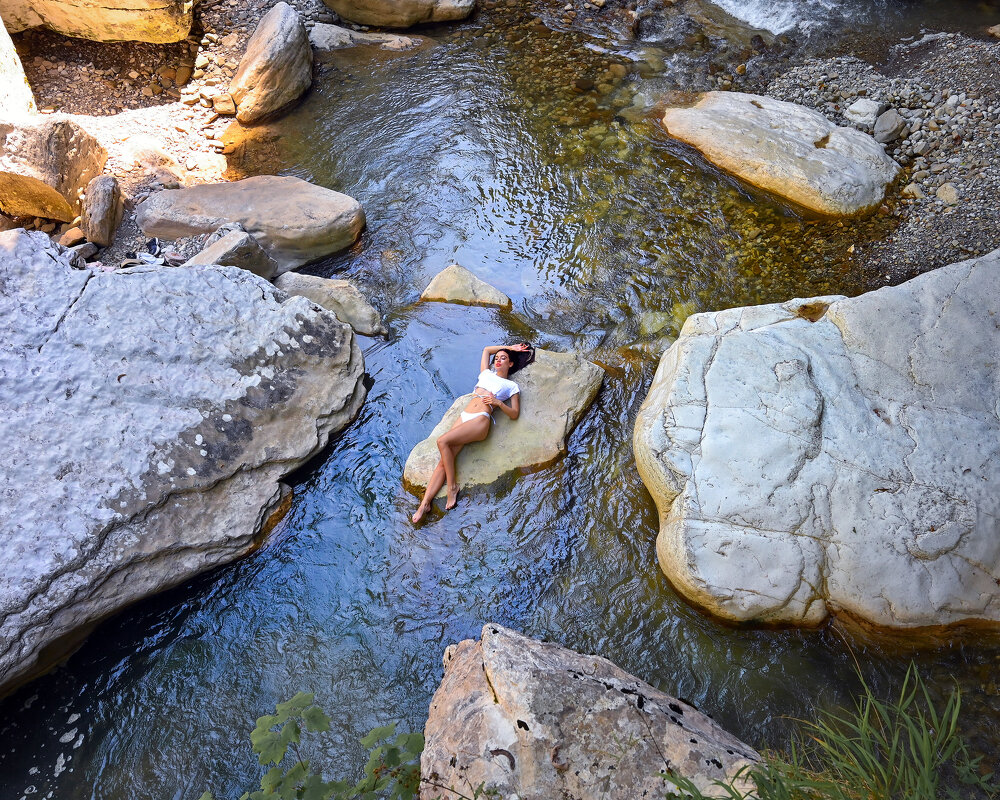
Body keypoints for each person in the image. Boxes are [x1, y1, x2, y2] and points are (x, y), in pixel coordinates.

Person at [411, 342, 534, 523]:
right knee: (443, 463)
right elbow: (486, 350)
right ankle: (425, 504)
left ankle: (452, 487)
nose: (498, 360)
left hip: (481, 420)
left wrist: (498, 403)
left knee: (442, 442)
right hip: (465, 415)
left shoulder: (511, 386)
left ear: (511, 364)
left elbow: (514, 414)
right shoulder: (485, 373)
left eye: (504, 358)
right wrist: (511, 348)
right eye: (497, 358)